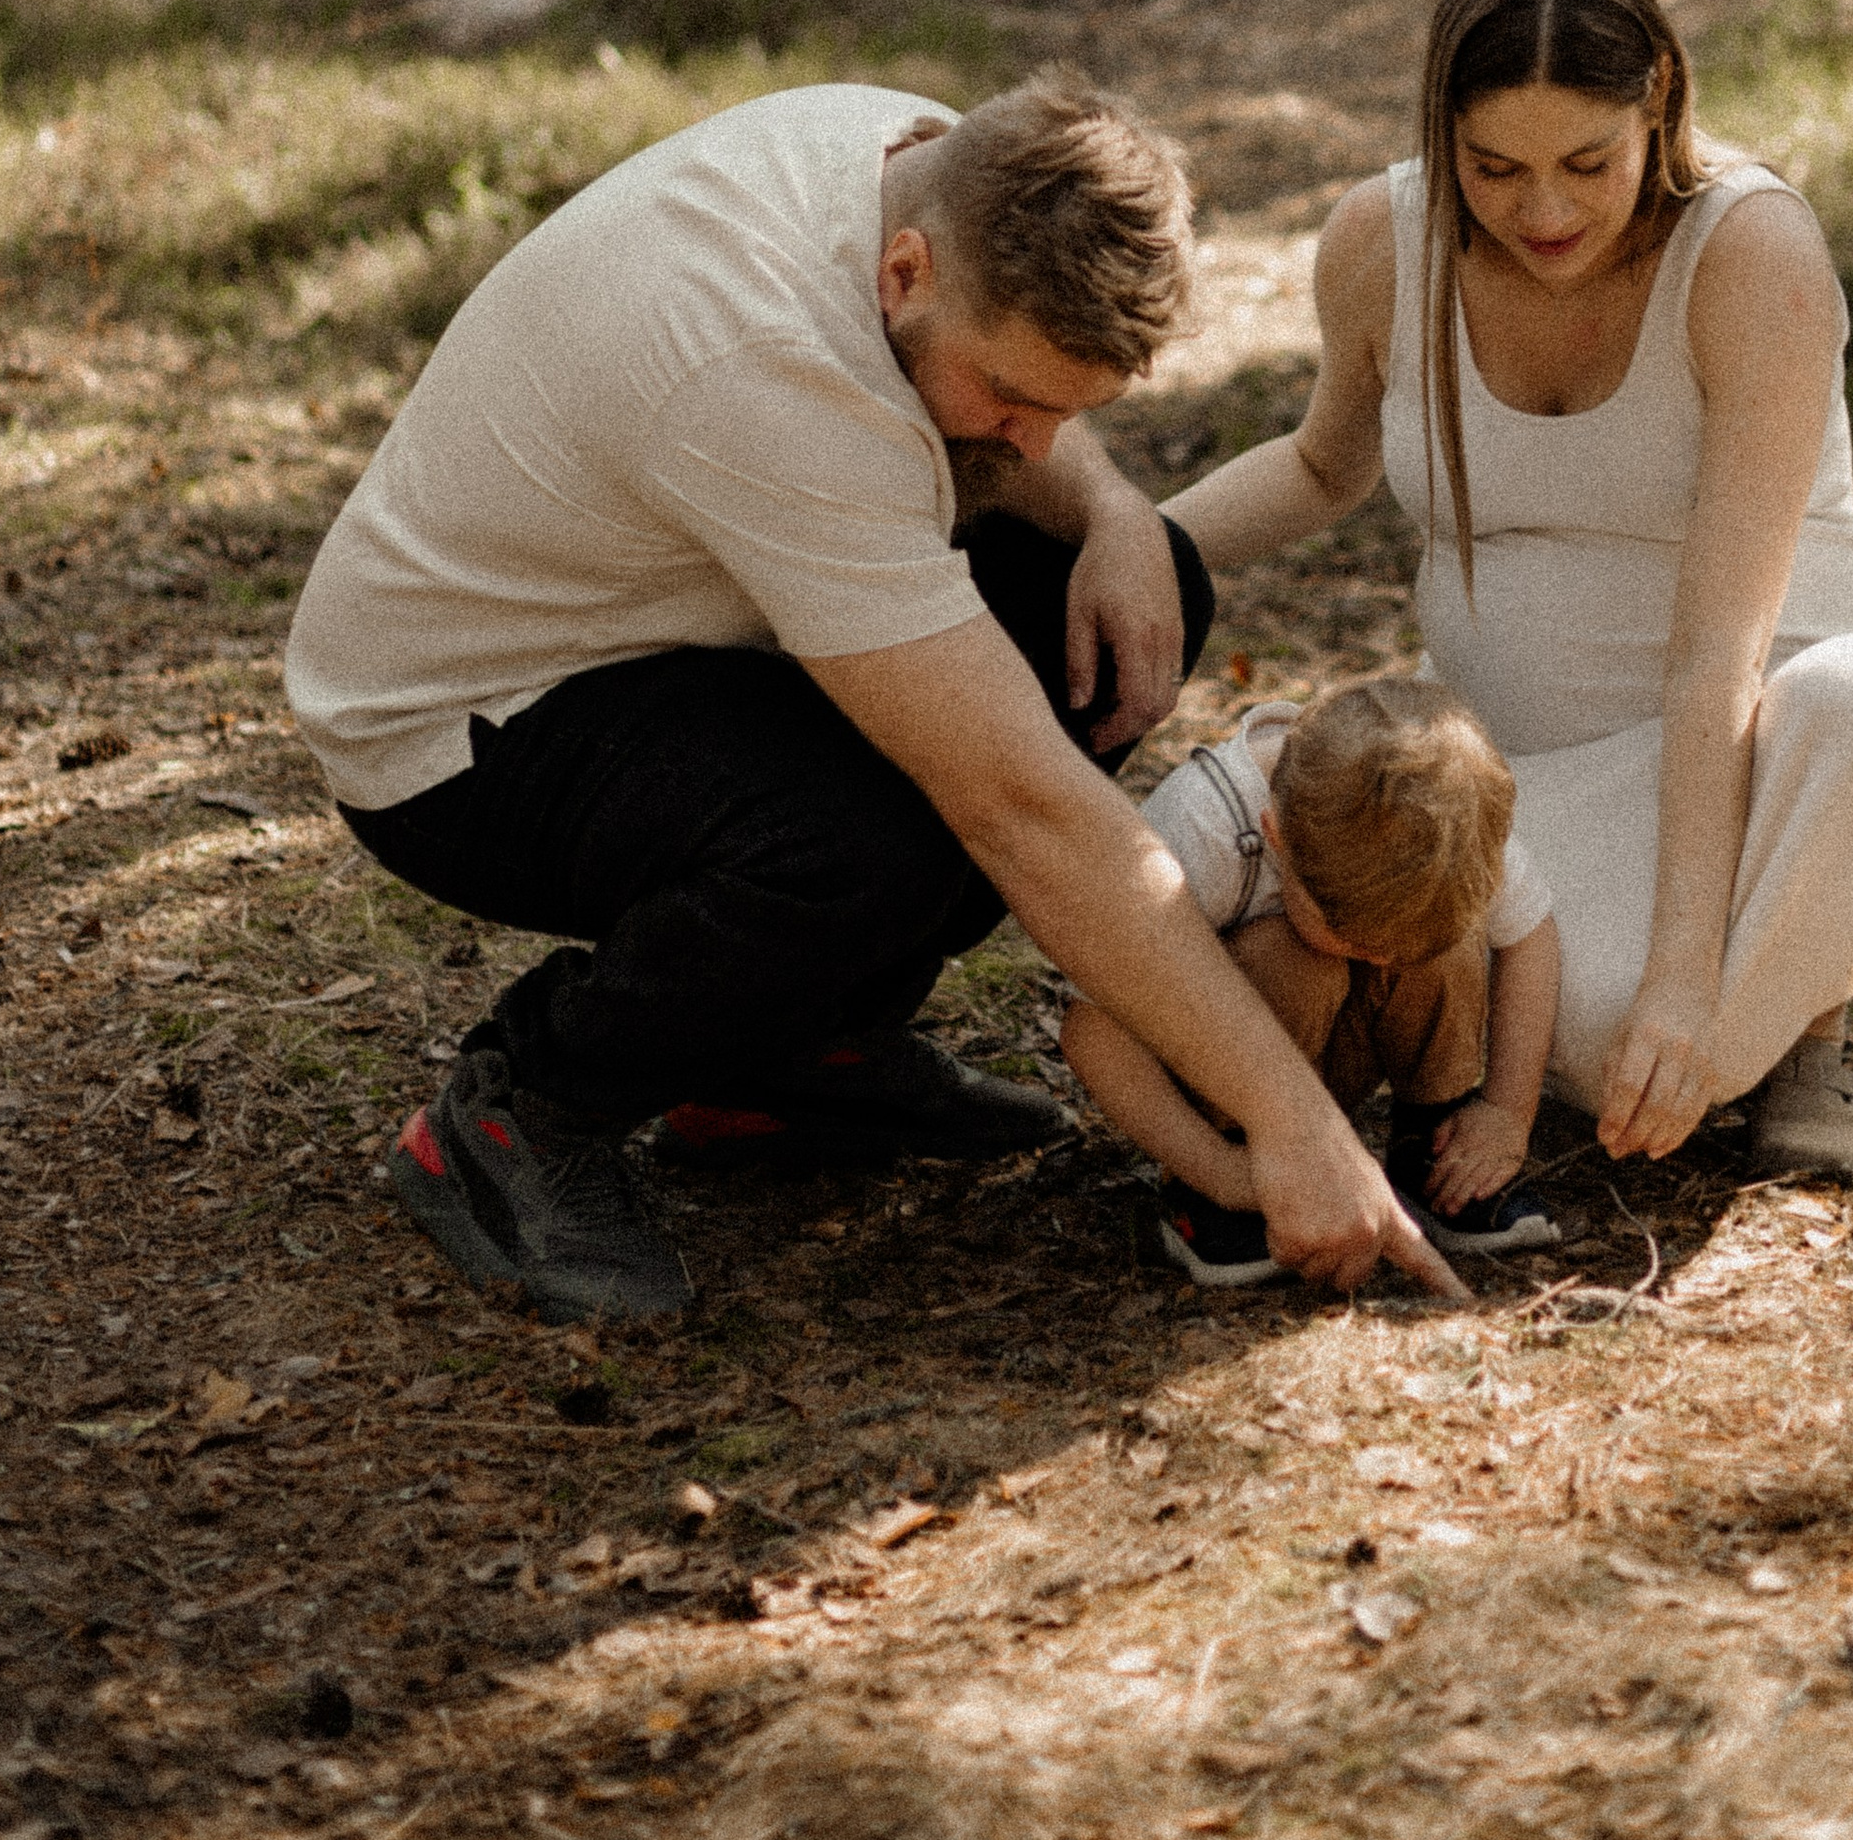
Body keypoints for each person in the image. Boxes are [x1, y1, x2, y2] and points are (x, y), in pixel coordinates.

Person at [283, 71, 1460, 1323]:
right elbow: (1021, 808)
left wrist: (1117, 513)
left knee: (1115, 590)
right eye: (1013, 398)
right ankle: (529, 1107)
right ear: (905, 275)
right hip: (456, 729)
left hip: (663, 633)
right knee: (872, 838)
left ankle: (783, 1055)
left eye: (1073, 411)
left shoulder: (932, 162)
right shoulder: (772, 368)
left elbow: (1028, 438)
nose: (1036, 441)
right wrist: (1293, 1122)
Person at [1165, 0, 1853, 1188]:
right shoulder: (1382, 240)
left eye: (1585, 164)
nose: (1541, 212)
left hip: (1752, 762)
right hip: (1517, 797)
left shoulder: (1749, 252)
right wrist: (1133, 539)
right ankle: (1682, 1030)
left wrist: (1677, 972)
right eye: (1493, 167)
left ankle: (1804, 1041)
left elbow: (1719, 651)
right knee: (1571, 1018)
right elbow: (1323, 464)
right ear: (1441, 132)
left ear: (1657, 99)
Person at [1062, 676, 1562, 1287]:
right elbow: (1092, 1027)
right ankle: (1207, 1196)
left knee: (1443, 943)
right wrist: (1218, 1168)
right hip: (1227, 1093)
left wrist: (1507, 1111)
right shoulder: (1204, 827)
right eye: (1357, 939)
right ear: (1277, 838)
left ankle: (1435, 1148)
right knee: (1295, 958)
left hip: (1333, 1064)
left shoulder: (1450, 820)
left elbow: (1530, 935)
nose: (1378, 962)